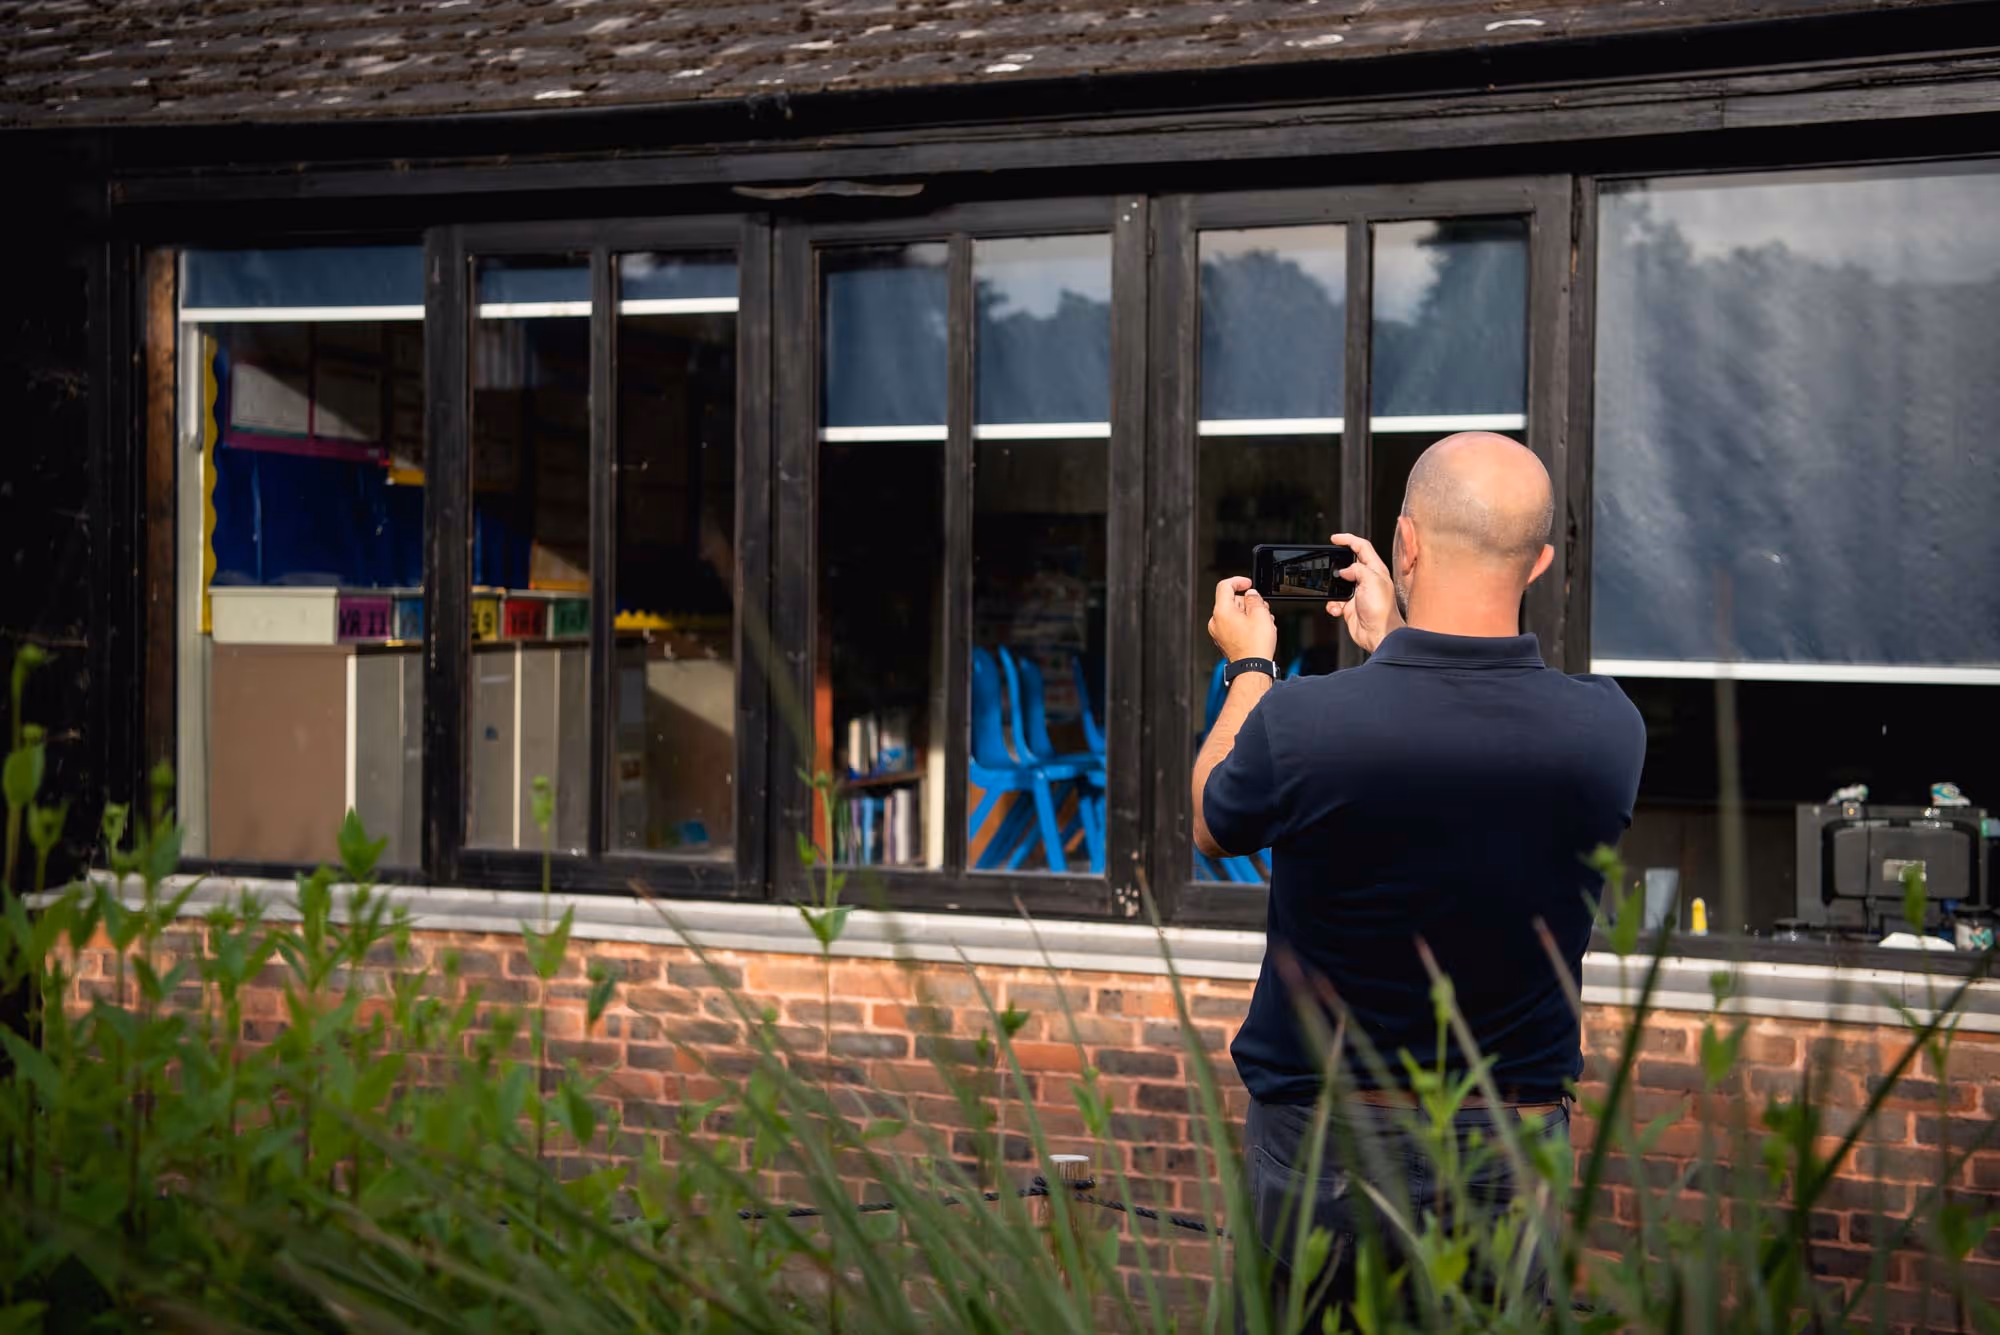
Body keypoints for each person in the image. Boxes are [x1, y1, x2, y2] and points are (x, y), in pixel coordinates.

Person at [1193, 432, 1645, 1324]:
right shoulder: (1607, 731)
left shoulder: (1304, 719)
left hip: (1325, 1144)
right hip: (1511, 1145)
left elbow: (1212, 818)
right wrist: (1395, 644)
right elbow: (1456, 726)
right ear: (1542, 562)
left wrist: (1252, 665)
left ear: (1405, 543)